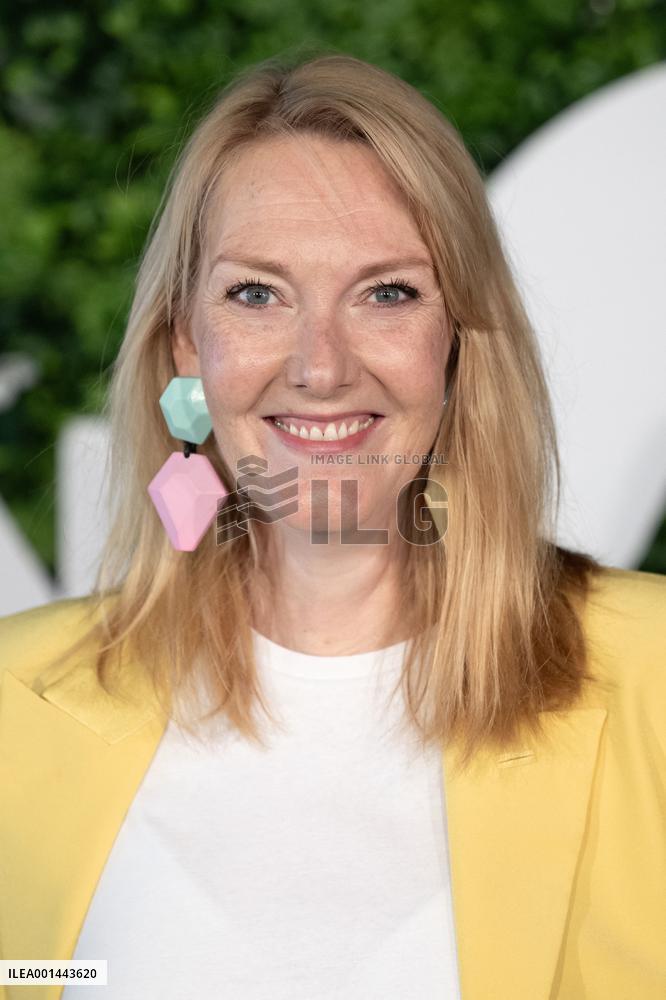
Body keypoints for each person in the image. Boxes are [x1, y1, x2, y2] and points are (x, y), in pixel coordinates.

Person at [1, 51, 665, 1000]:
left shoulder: (653, 673)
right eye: (256, 294)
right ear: (188, 343)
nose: (320, 367)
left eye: (387, 292)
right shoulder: (13, 700)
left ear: (458, 343)